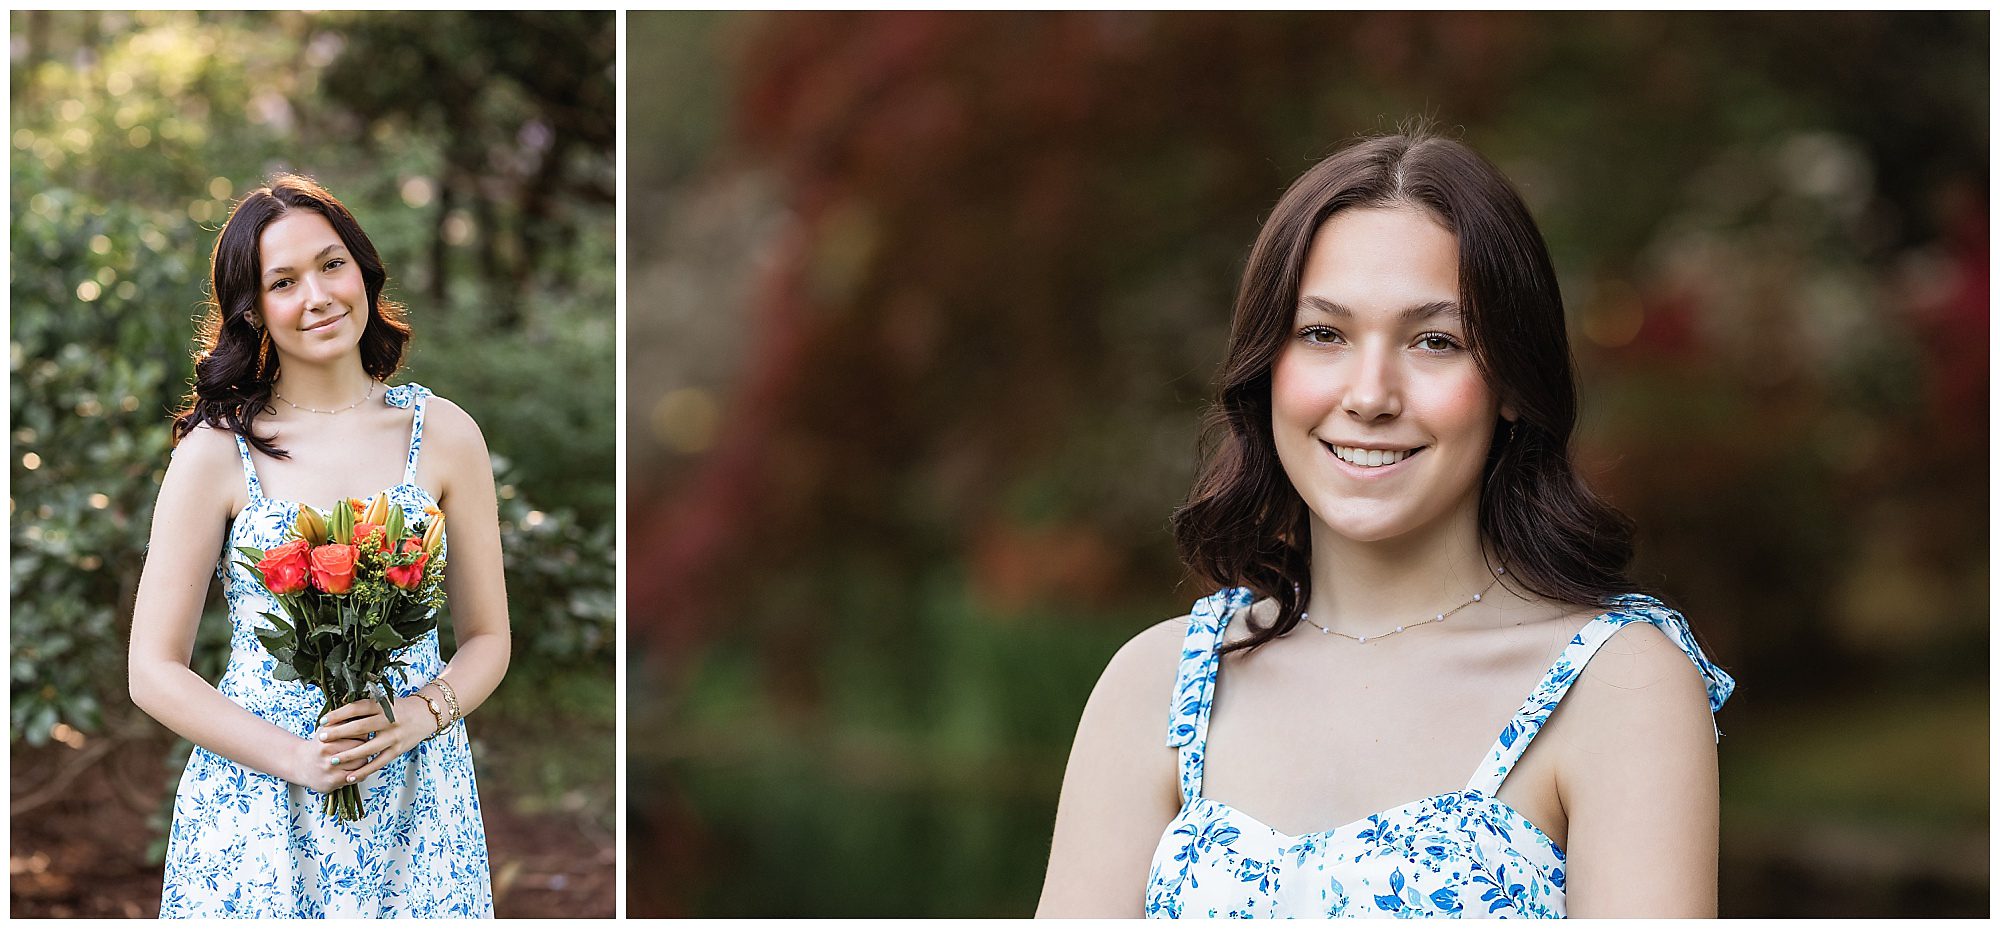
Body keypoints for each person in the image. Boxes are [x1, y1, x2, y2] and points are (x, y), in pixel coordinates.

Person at [1036, 129, 1735, 918]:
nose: (1370, 394)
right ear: (1269, 367)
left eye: (1435, 340)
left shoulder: (1617, 686)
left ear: (1509, 381)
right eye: (1323, 333)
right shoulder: (1159, 688)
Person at [128, 174, 510, 918]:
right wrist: (299, 758)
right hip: (258, 806)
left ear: (363, 269)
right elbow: (152, 669)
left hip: (418, 802)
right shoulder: (217, 452)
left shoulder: (444, 435)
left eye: (332, 264)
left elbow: (489, 636)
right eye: (284, 281)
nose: (318, 296)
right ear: (254, 309)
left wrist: (417, 716)